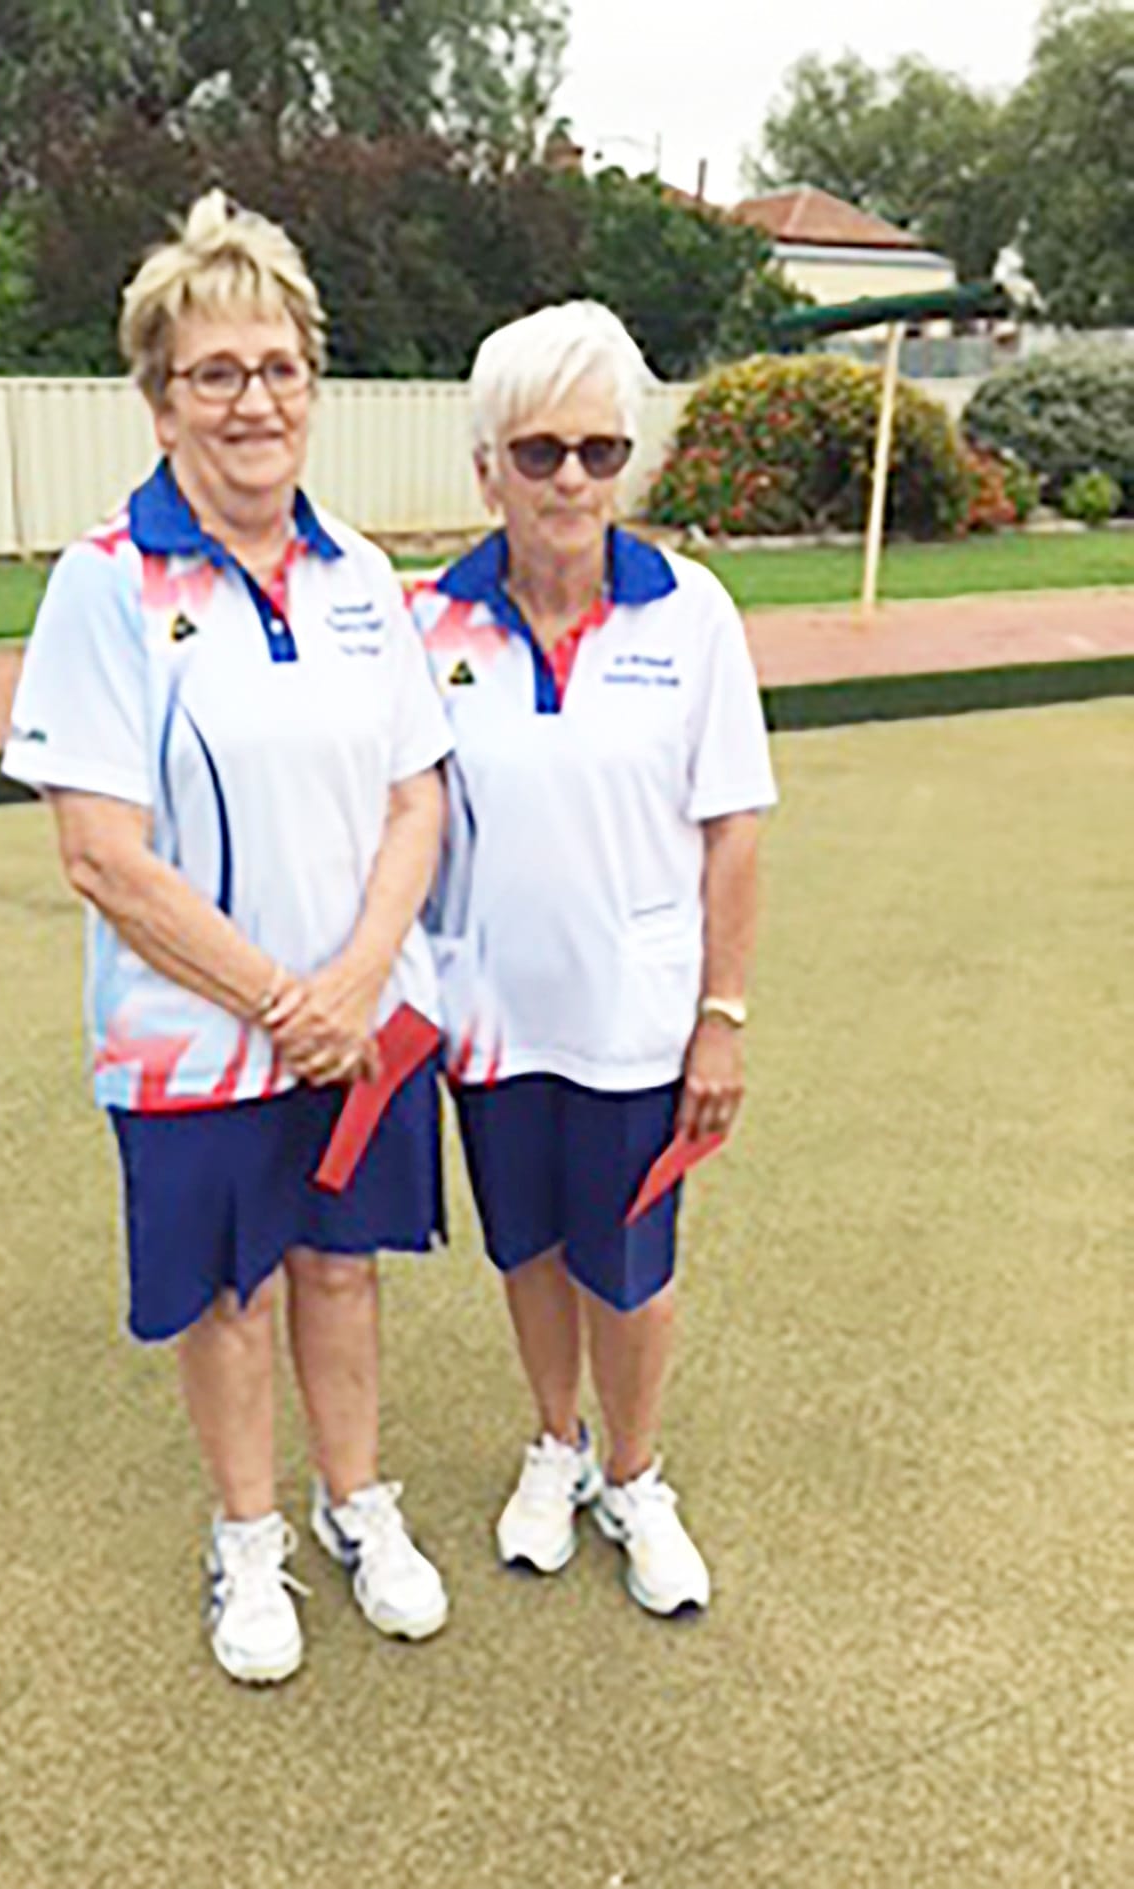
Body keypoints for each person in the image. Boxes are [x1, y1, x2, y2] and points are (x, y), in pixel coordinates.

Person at [2, 191, 453, 1685]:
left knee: (339, 1268)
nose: (252, 399)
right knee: (229, 1291)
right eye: (216, 372)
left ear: (311, 385)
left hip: (355, 1019)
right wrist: (279, 997)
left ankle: (355, 1504)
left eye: (277, 366)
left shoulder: (363, 580)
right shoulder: (103, 583)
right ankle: (246, 1537)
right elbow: (101, 854)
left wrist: (355, 981)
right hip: (196, 1039)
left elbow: (415, 798)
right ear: (158, 396)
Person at [411, 301, 776, 1616]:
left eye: (601, 451)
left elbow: (732, 827)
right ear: (485, 465)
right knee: (528, 1247)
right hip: (489, 1016)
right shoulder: (426, 622)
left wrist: (718, 1016)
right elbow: (402, 820)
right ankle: (553, 1444)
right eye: (540, 450)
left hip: (638, 1013)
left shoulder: (691, 614)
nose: (571, 479)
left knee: (631, 1262)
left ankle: (633, 1471)